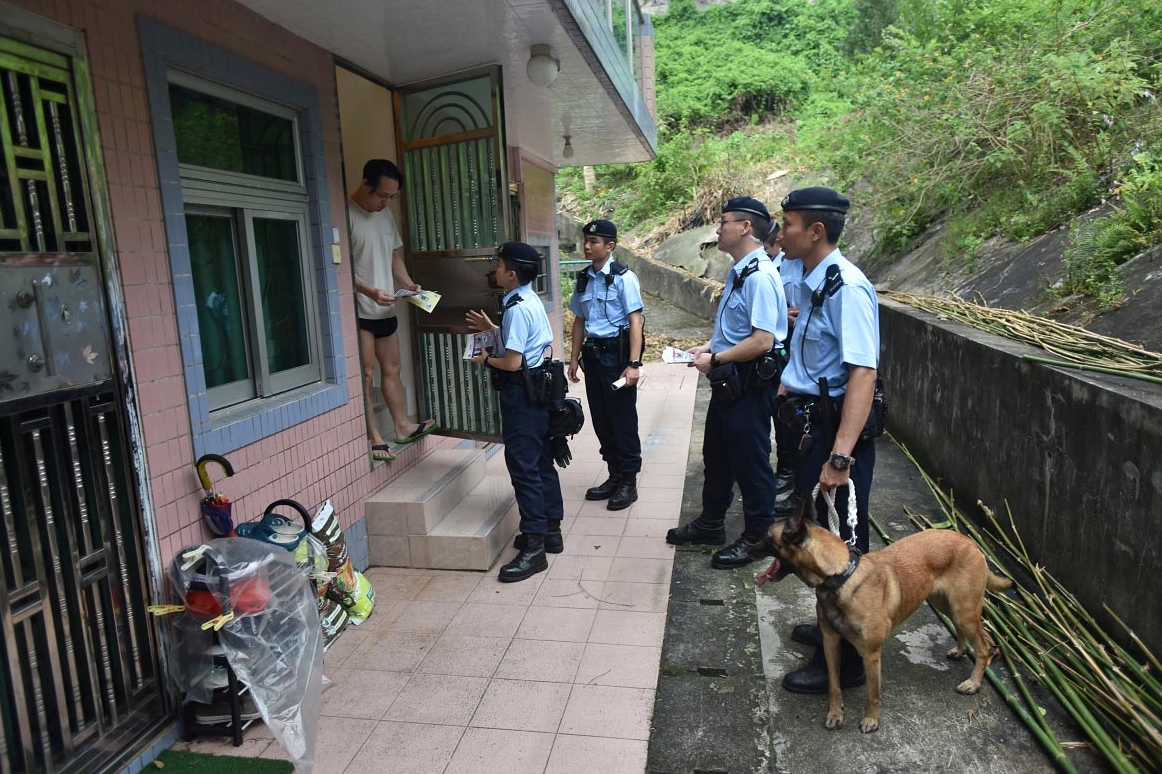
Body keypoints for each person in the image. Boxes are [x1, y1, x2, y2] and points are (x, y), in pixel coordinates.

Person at [773, 186, 881, 694]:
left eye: (788, 224)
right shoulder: (814, 280)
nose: (781, 233)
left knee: (844, 549)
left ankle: (850, 662)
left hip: (834, 435)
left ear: (816, 231)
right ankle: (827, 632)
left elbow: (863, 373)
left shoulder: (848, 288)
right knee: (818, 539)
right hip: (810, 427)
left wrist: (841, 457)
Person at [666, 197, 788, 568]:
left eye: (723, 222)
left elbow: (763, 340)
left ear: (745, 227)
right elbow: (739, 329)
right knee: (717, 455)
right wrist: (710, 346)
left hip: (748, 381)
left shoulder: (761, 276)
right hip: (729, 379)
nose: (717, 230)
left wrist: (717, 358)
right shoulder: (740, 271)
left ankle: (759, 537)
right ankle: (711, 523)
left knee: (751, 461)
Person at [466, 242, 564, 582]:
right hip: (536, 392)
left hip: (522, 395)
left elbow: (511, 362)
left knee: (524, 468)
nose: (493, 269)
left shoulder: (516, 308)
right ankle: (550, 531)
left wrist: (484, 359)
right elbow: (522, 342)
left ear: (511, 273)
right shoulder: (527, 300)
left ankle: (534, 549)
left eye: (498, 264)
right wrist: (493, 329)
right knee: (540, 461)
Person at [349, 159, 437, 462]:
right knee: (366, 373)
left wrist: (409, 285)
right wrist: (370, 291)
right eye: (382, 195)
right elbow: (340, 269)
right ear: (366, 184)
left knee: (393, 369)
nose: (386, 202)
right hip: (360, 310)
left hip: (385, 308)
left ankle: (401, 426)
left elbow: (393, 256)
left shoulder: (384, 215)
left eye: (391, 196)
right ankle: (373, 436)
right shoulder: (346, 214)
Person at [568, 219, 645, 511]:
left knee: (622, 419)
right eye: (586, 240)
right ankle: (615, 474)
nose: (587, 246)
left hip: (616, 356)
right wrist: (573, 357)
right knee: (601, 419)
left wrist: (634, 363)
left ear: (609, 246)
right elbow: (579, 320)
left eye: (594, 241)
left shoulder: (625, 278)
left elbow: (635, 321)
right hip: (593, 357)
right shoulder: (583, 279)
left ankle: (629, 481)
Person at [764, 222, 803, 518]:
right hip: (782, 342)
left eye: (787, 226)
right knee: (782, 410)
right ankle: (788, 471)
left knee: (798, 418)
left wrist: (800, 316)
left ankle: (795, 479)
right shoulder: (781, 264)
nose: (781, 235)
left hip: (801, 344)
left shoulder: (820, 271)